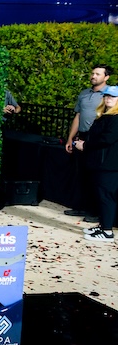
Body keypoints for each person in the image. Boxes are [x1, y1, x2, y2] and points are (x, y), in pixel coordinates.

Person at [65, 64, 113, 220]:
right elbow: (78, 116)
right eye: (93, 73)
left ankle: (95, 212)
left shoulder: (110, 95)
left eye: (98, 74)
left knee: (96, 176)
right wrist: (70, 138)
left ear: (106, 77)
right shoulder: (84, 94)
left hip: (98, 139)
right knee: (81, 174)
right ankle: (81, 207)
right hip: (83, 136)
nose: (93, 76)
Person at [73, 85, 118, 242]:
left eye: (112, 97)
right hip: (100, 164)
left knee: (106, 197)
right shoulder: (105, 116)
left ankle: (107, 231)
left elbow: (107, 139)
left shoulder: (116, 118)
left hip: (109, 166)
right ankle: (103, 225)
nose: (108, 99)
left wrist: (85, 145)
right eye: (106, 96)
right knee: (101, 195)